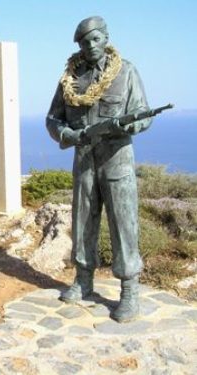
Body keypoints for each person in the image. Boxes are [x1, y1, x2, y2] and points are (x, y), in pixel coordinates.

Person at [46, 16, 152, 322]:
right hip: (84, 159)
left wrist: (123, 125)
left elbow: (145, 116)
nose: (91, 46)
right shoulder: (70, 77)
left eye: (96, 39)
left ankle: (129, 290)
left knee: (123, 223)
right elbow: (53, 119)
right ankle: (83, 280)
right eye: (84, 41)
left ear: (106, 38)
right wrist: (70, 135)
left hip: (117, 159)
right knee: (83, 221)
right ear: (79, 45)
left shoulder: (126, 71)